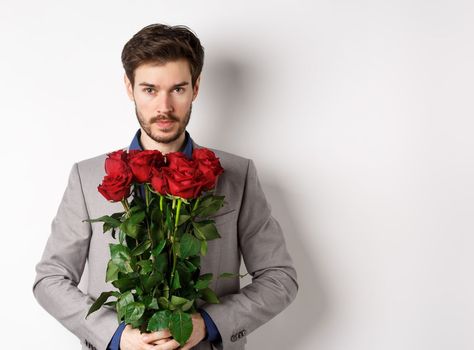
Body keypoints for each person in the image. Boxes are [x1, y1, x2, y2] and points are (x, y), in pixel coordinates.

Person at [32, 24, 299, 350]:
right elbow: (50, 278)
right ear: (129, 88)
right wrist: (115, 335)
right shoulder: (87, 177)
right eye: (149, 89)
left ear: (196, 88)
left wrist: (208, 325)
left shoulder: (237, 174)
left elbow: (279, 278)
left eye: (177, 89)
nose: (164, 107)